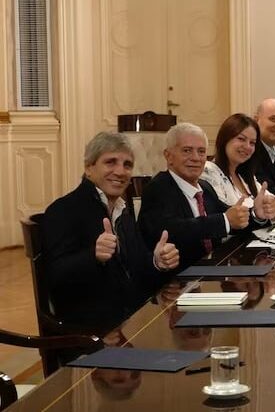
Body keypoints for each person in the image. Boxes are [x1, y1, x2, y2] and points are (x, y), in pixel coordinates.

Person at [43, 132, 180, 332]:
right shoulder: (63, 210)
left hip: (132, 323)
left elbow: (137, 268)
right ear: (89, 167)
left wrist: (157, 261)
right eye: (110, 162)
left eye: (127, 165)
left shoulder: (123, 211)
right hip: (90, 332)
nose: (120, 171)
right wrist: (93, 256)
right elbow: (54, 277)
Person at [139, 123, 275, 270]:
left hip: (214, 269)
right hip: (180, 276)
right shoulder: (158, 188)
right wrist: (225, 220)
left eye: (201, 151)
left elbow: (231, 218)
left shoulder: (205, 187)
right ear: (168, 156)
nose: (196, 158)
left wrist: (256, 214)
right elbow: (173, 229)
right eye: (187, 151)